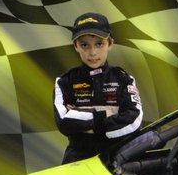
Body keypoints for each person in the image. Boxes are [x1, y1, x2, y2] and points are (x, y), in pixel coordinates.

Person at [53, 12, 143, 164]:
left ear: (110, 44)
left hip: (118, 158)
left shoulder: (124, 79)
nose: (93, 52)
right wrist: (106, 115)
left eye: (99, 44)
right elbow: (64, 123)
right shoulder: (64, 81)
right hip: (77, 159)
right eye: (84, 45)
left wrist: (83, 120)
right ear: (76, 46)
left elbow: (134, 120)